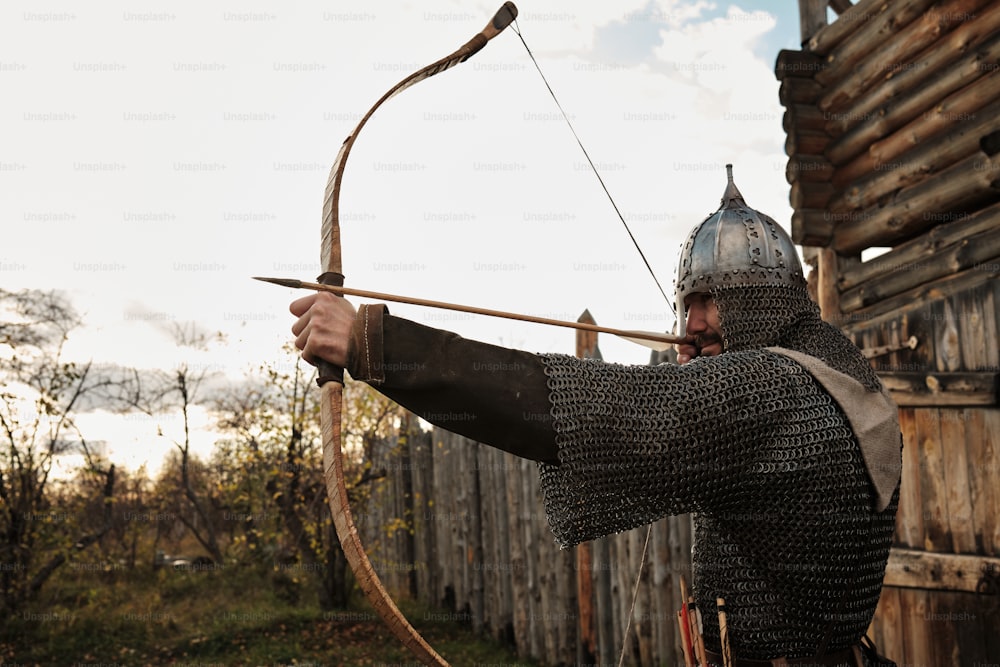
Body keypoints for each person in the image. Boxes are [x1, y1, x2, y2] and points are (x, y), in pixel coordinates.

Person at [290, 166, 901, 667]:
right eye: (687, 304)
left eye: (709, 301)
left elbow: (570, 408)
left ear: (763, 297)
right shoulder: (835, 364)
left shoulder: (769, 390)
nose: (690, 324)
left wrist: (372, 344)